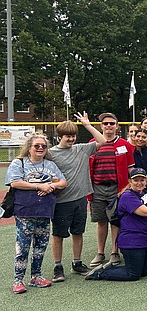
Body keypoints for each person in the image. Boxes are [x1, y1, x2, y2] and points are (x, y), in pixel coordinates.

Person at [84, 168, 147, 281]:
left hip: (146, 239)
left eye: (142, 180)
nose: (139, 183)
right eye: (136, 180)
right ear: (130, 181)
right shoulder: (127, 196)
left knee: (144, 272)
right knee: (133, 275)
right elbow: (146, 212)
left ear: (146, 181)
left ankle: (110, 268)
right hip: (132, 241)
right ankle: (100, 273)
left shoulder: (144, 195)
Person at [6, 133, 68, 294]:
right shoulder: (19, 163)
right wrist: (39, 186)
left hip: (45, 212)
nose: (40, 148)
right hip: (25, 211)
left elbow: (62, 182)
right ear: (29, 147)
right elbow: (15, 182)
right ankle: (18, 280)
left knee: (40, 246)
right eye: (37, 146)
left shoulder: (50, 165)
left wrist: (52, 186)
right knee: (23, 247)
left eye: (43, 146)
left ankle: (36, 276)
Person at [49, 113, 105, 282]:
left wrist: (87, 125)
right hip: (61, 200)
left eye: (73, 136)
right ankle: (58, 266)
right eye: (68, 136)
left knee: (78, 232)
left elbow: (102, 141)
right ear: (60, 137)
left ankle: (77, 262)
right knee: (58, 234)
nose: (71, 139)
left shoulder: (81, 148)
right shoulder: (51, 153)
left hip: (80, 199)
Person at [88, 112, 135, 268]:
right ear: (101, 126)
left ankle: (115, 252)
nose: (108, 126)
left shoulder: (125, 145)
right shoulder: (92, 144)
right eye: (105, 124)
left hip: (117, 188)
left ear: (117, 126)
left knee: (115, 221)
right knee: (101, 221)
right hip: (98, 188)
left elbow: (131, 171)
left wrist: (127, 188)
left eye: (112, 123)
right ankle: (100, 252)